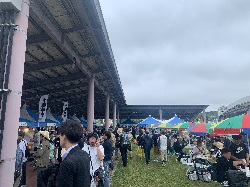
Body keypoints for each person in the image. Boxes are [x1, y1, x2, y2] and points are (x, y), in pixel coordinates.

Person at [55, 120, 90, 187]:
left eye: (60, 135)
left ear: (64, 136)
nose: (59, 137)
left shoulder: (67, 162)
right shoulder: (84, 154)